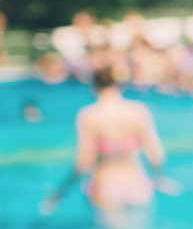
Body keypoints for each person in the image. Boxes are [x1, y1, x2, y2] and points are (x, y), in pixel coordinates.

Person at [41, 66, 173, 213]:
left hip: (105, 187)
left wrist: (60, 193)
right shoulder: (138, 110)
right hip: (137, 185)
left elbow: (83, 163)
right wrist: (160, 179)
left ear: (94, 86)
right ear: (119, 84)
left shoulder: (88, 115)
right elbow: (155, 155)